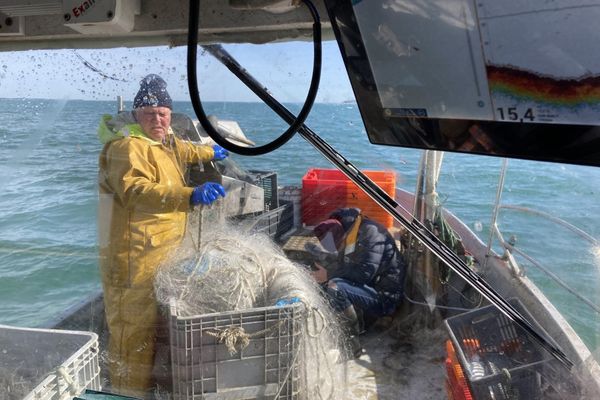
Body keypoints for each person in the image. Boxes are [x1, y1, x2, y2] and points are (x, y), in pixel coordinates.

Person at [97, 74, 229, 396]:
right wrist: (189, 196)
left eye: (163, 113)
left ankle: (147, 386)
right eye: (150, 113)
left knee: (152, 330)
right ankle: (126, 393)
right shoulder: (127, 147)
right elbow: (135, 191)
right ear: (136, 115)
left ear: (170, 115)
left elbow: (182, 150)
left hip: (158, 254)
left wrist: (210, 153)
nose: (158, 119)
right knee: (132, 336)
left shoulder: (163, 141)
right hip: (133, 261)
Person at [309, 207, 406, 357]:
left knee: (335, 287)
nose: (338, 249)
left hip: (385, 297)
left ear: (343, 237)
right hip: (369, 288)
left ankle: (352, 346)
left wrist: (328, 274)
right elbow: (344, 263)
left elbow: (364, 274)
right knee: (324, 283)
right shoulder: (349, 229)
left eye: (338, 246)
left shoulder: (371, 234)